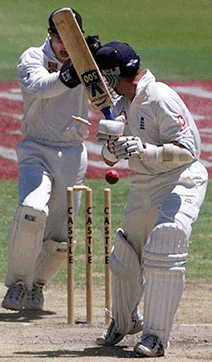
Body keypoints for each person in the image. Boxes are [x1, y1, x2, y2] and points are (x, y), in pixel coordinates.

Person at [94, 41, 208, 357]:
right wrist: (112, 150)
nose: (102, 83)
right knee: (125, 255)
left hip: (180, 181)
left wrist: (146, 151)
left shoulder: (160, 97)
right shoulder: (121, 103)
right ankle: (125, 321)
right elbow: (108, 154)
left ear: (116, 74)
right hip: (144, 182)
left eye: (105, 76)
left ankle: (155, 337)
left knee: (164, 242)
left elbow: (190, 151)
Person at [2, 8, 101, 311]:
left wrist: (101, 64)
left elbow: (103, 97)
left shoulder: (85, 63)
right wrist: (71, 72)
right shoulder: (31, 57)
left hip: (73, 152)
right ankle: (18, 284)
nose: (65, 46)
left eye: (72, 40)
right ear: (51, 35)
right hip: (36, 148)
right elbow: (41, 87)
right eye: (60, 38)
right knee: (32, 210)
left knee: (61, 236)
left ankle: (37, 286)